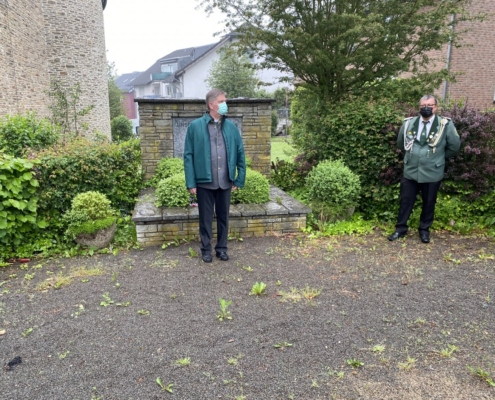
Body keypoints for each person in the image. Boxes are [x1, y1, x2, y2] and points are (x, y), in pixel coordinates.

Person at [184, 89, 246, 262]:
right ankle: (206, 249)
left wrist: (239, 178)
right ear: (211, 105)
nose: (225, 104)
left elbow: (240, 153)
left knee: (223, 217)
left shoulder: (232, 127)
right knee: (205, 218)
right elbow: (188, 155)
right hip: (204, 182)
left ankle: (222, 249)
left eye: (225, 101)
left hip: (225, 180)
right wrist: (191, 182)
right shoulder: (195, 127)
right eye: (221, 101)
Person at [388, 94, 460, 243]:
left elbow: (454, 146)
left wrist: (437, 157)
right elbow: (401, 143)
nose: (426, 108)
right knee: (405, 201)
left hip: (432, 171)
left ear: (436, 107)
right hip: (411, 170)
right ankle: (400, 229)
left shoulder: (445, 124)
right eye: (423, 106)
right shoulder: (409, 123)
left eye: (430, 105)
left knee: (429, 203)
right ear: (419, 107)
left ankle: (424, 230)